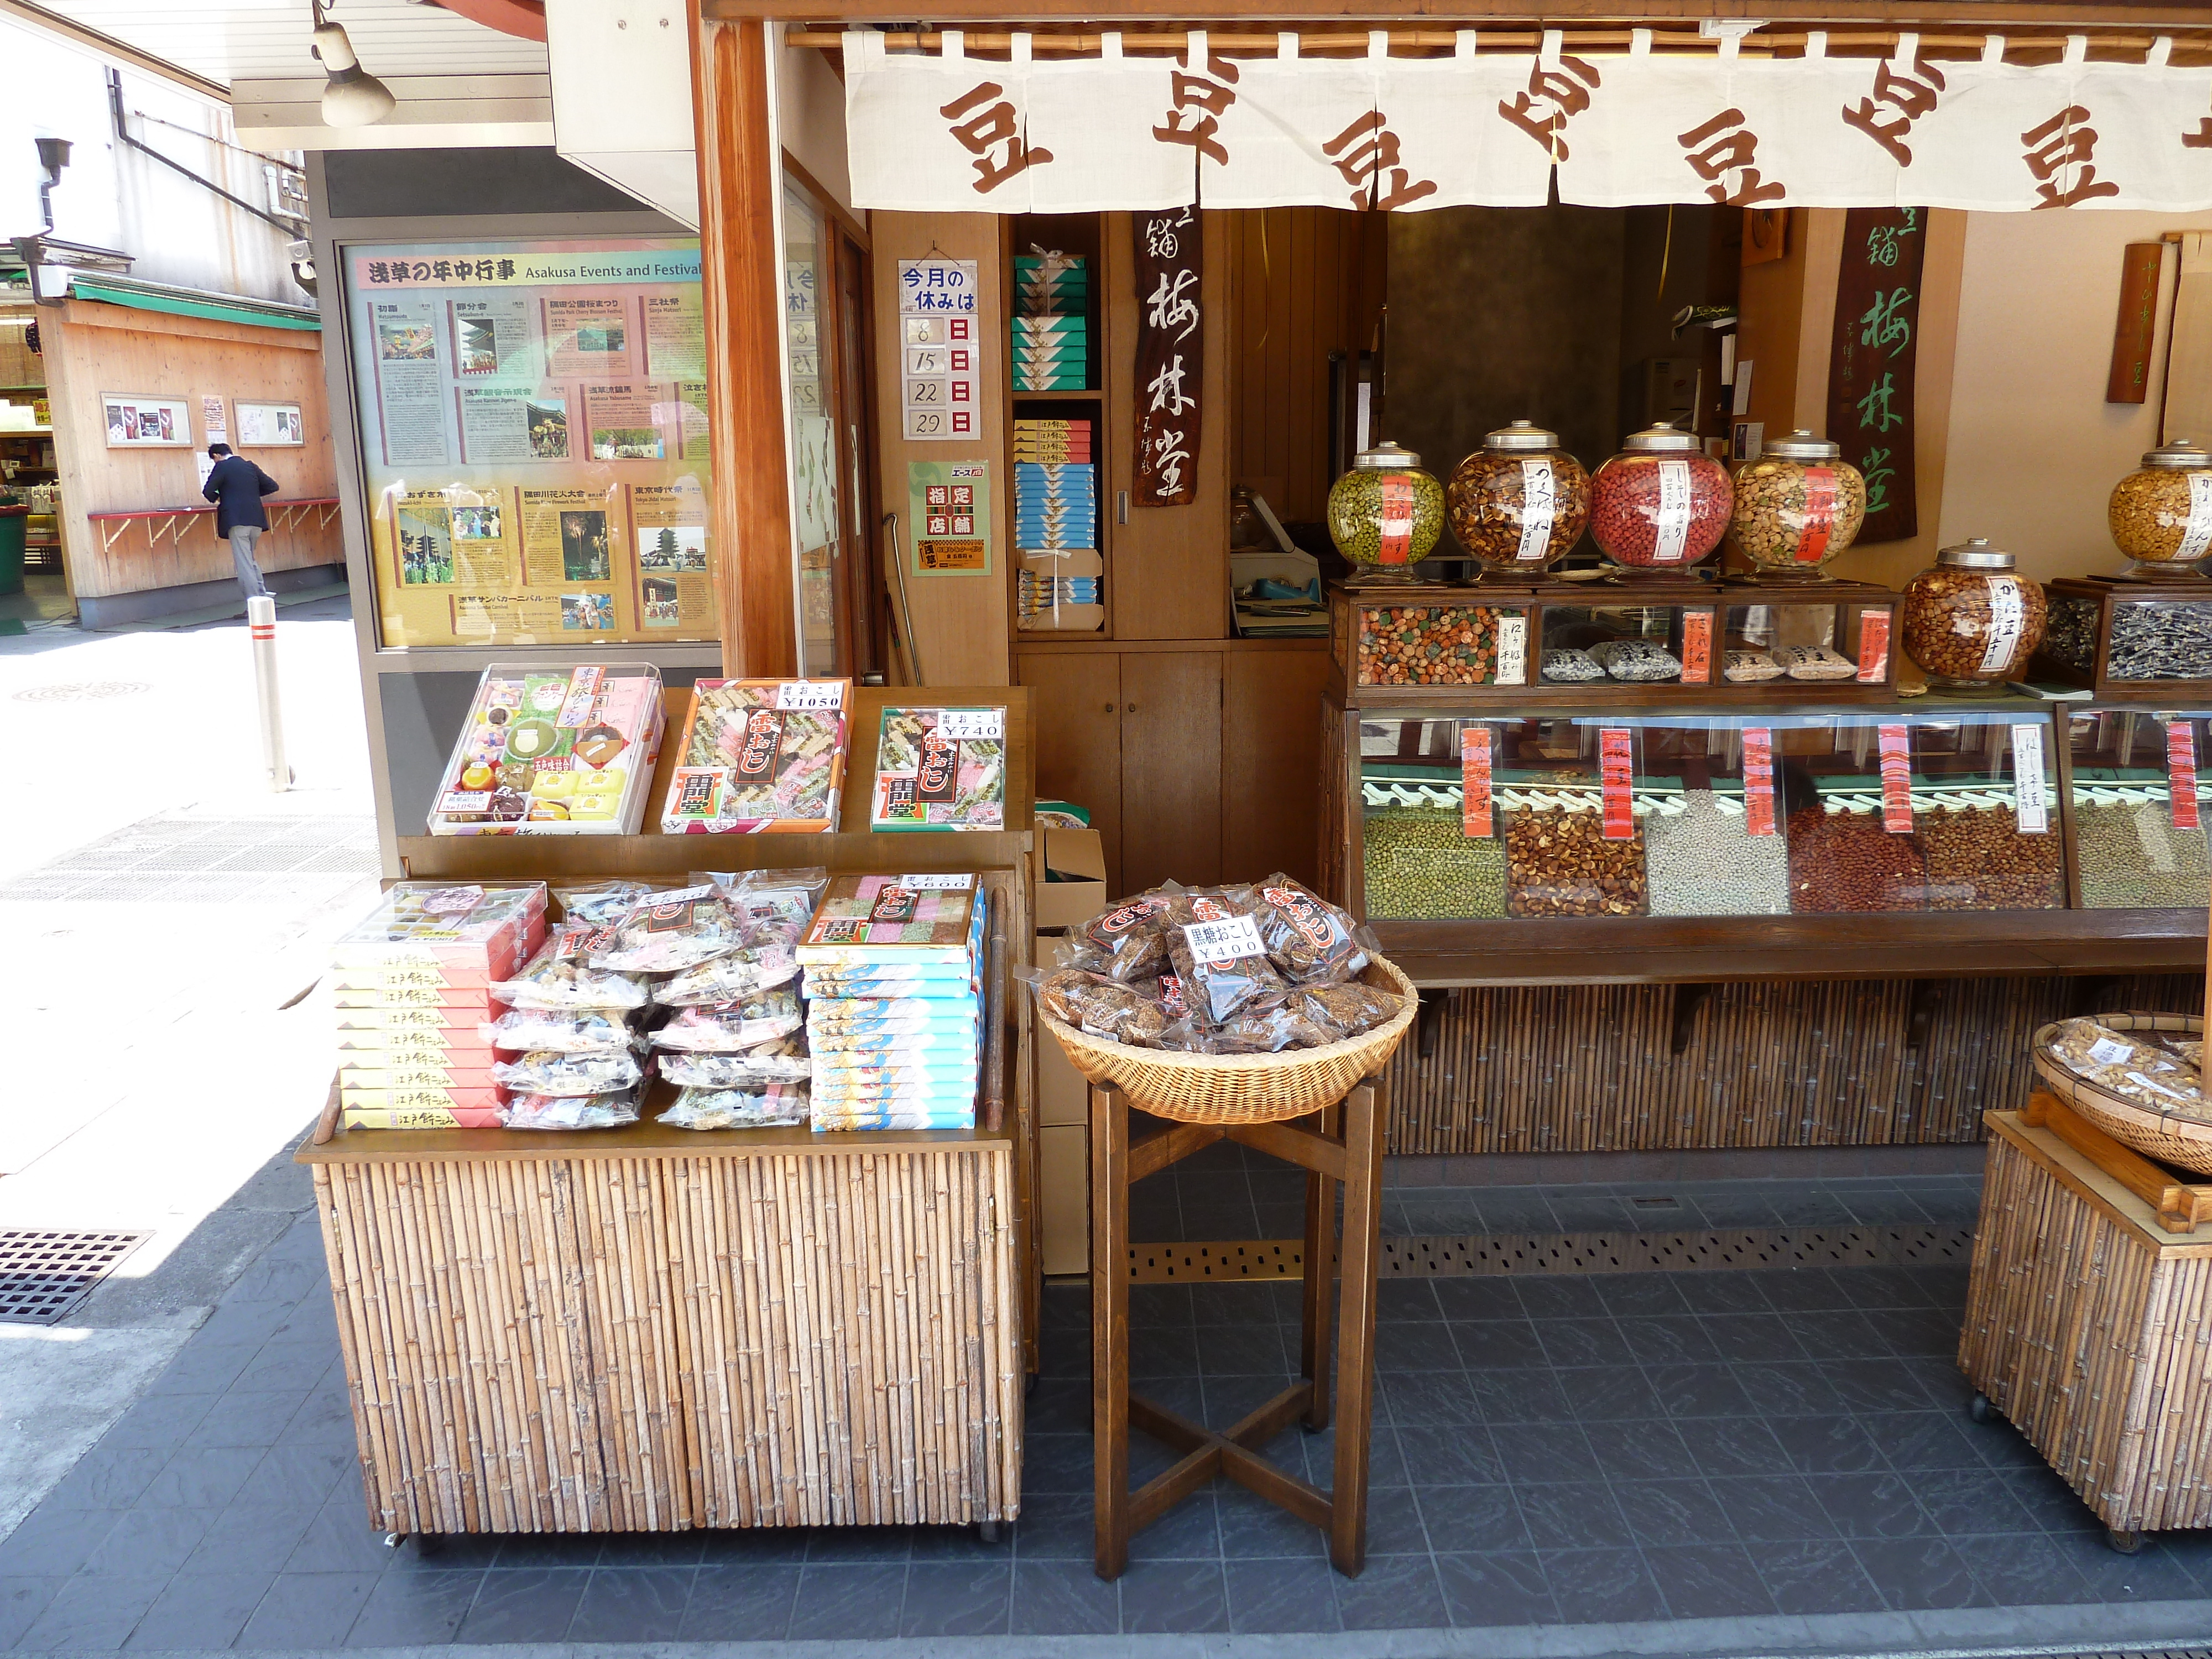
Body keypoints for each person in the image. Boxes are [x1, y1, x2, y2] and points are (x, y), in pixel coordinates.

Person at [201, 444, 281, 601]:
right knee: (249, 560)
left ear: (217, 456)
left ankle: (254, 603)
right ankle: (262, 596)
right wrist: (248, 494)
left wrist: (223, 497)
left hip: (237, 521)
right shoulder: (250, 465)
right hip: (256, 519)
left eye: (214, 459)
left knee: (244, 564)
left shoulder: (222, 467)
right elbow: (272, 486)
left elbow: (208, 491)